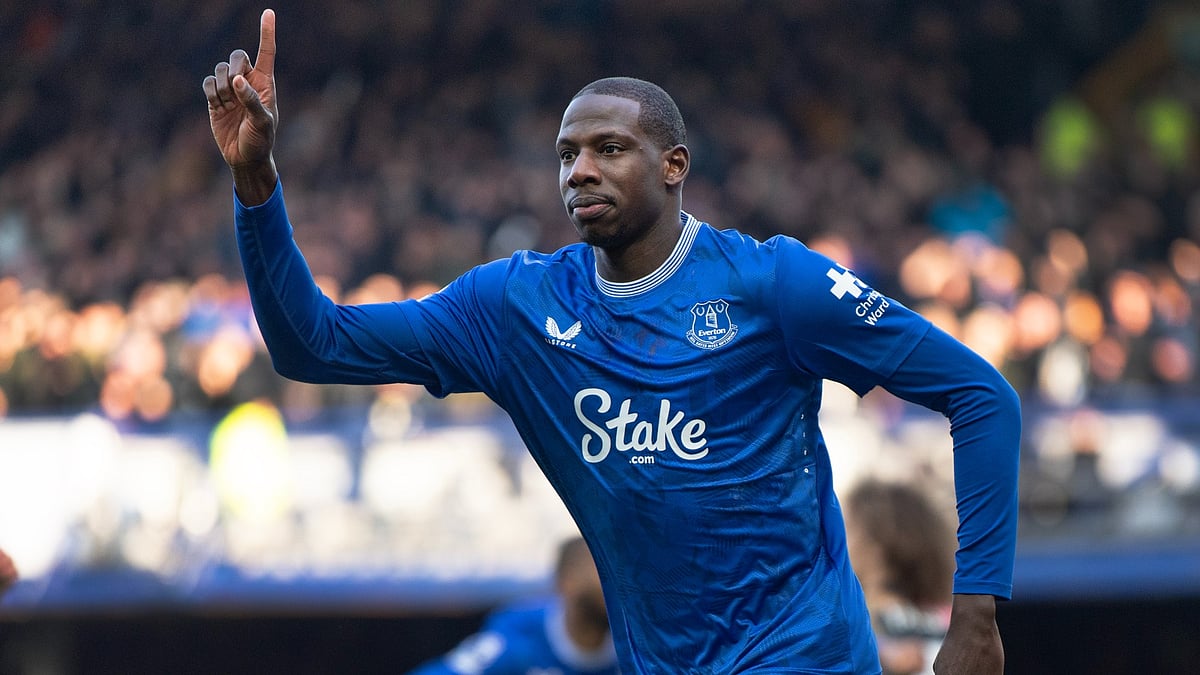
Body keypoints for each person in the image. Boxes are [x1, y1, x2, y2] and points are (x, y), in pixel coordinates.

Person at [203, 10, 1020, 673]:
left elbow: (983, 395)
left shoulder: (775, 287)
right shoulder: (515, 309)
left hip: (805, 655)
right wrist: (255, 184)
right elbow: (313, 343)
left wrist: (977, 615)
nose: (580, 170)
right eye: (567, 154)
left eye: (608, 149)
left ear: (674, 165)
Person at [407, 537, 618, 675]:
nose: (619, 583)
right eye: (602, 568)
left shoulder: (640, 644)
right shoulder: (519, 639)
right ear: (568, 581)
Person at [843, 479, 956, 675]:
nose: (841, 541)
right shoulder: (953, 624)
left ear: (876, 545)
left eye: (849, 527)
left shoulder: (851, 625)